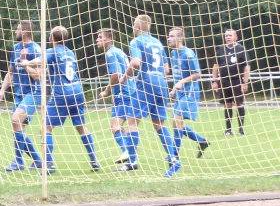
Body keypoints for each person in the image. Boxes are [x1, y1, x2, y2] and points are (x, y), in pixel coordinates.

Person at [22, 26, 100, 173]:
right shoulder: (70, 53)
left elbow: (39, 61)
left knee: (46, 128)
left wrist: (26, 63)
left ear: (51, 38)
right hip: (78, 91)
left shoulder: (52, 51)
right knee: (81, 127)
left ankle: (49, 164)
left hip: (62, 93)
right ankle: (94, 160)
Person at [120, 15, 181, 178]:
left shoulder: (136, 42)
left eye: (134, 24)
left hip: (146, 83)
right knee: (159, 124)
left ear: (139, 27)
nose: (133, 27)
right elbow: (166, 69)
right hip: (161, 83)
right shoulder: (158, 43)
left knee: (132, 120)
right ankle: (174, 158)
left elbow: (135, 63)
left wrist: (125, 77)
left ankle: (132, 161)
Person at [0, 20, 43, 171]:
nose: (15, 32)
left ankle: (19, 161)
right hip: (19, 94)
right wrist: (2, 90)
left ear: (25, 32)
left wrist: (25, 62)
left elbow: (37, 76)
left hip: (33, 92)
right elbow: (11, 72)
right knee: (18, 127)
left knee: (16, 121)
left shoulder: (36, 49)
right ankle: (37, 161)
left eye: (17, 29)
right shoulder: (15, 48)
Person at [96, 29, 144, 171]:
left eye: (100, 37)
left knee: (116, 126)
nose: (97, 40)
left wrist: (106, 91)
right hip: (126, 92)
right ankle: (131, 160)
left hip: (124, 93)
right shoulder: (119, 52)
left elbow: (116, 75)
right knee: (120, 127)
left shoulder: (111, 53)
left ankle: (128, 153)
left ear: (108, 39)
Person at [168, 27, 210, 159]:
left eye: (172, 36)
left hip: (190, 92)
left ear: (180, 38)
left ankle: (174, 155)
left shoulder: (189, 54)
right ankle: (202, 141)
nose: (168, 38)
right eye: (168, 36)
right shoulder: (173, 53)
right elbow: (177, 73)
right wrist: (174, 89)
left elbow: (197, 74)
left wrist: (181, 82)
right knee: (176, 123)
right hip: (180, 93)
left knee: (177, 120)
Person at [211, 29, 250, 136]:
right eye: (226, 36)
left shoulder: (241, 49)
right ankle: (228, 130)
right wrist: (214, 80)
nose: (228, 37)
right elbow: (216, 66)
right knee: (227, 104)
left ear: (236, 37)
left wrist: (245, 82)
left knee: (239, 104)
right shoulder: (220, 49)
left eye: (230, 35)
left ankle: (241, 130)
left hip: (237, 81)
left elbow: (247, 66)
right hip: (224, 81)